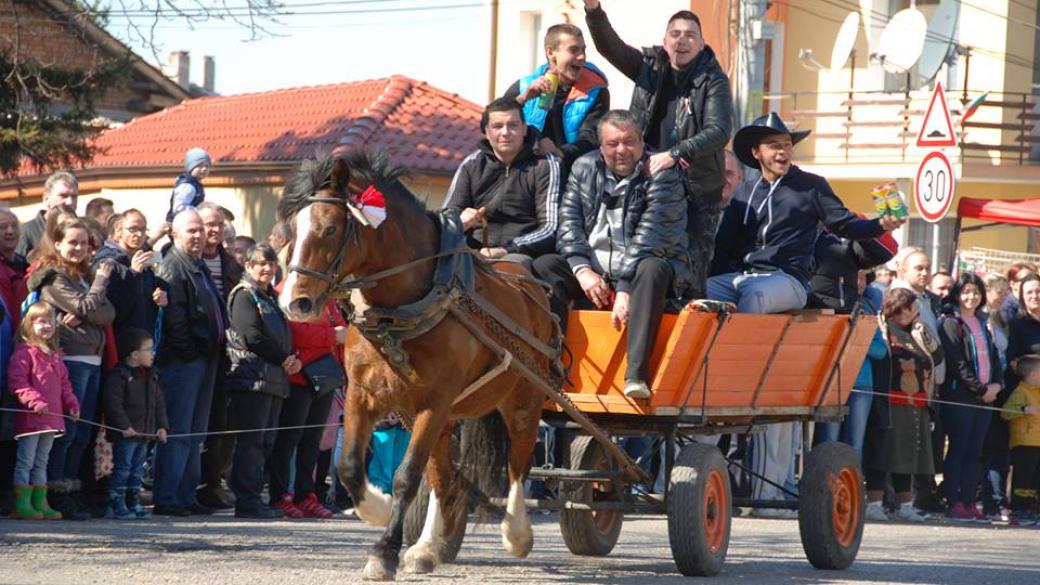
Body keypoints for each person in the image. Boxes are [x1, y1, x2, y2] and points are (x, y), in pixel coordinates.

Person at [531, 110, 688, 399]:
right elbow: (568, 224)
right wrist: (582, 270)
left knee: (653, 267)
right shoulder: (582, 167)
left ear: (642, 143)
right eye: (612, 144)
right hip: (595, 270)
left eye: (629, 142)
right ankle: (552, 365)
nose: (621, 151)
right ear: (600, 148)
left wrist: (625, 288)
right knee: (545, 266)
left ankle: (636, 375)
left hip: (642, 270)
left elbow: (652, 237)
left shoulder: (662, 173)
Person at [584, 1, 732, 299]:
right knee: (643, 257)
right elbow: (610, 48)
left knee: (689, 270)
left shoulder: (713, 79)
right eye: (675, 33)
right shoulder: (648, 66)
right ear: (665, 43)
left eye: (690, 34)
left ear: (702, 44)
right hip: (647, 182)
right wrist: (593, 10)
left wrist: (675, 154)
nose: (682, 40)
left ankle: (690, 334)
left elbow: (719, 131)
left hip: (697, 190)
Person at [26, 218, 115, 520]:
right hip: (72, 360)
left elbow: (106, 312)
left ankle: (72, 489)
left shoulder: (83, 277)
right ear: (59, 244)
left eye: (84, 243)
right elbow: (92, 308)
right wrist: (99, 286)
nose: (78, 248)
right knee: (68, 431)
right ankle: (56, 491)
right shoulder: (54, 278)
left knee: (82, 434)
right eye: (72, 242)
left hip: (93, 359)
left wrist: (88, 306)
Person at [152, 210, 227, 517]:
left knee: (195, 433)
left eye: (199, 230)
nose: (197, 236)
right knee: (179, 432)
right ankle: (168, 497)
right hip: (184, 363)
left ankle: (186, 495)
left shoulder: (198, 265)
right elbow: (175, 320)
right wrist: (191, 353)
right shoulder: (173, 267)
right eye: (191, 231)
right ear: (175, 234)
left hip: (205, 360)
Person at [225, 243, 299, 519]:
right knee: (251, 442)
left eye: (270, 264)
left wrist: (290, 358)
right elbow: (251, 336)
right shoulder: (245, 296)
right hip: (251, 379)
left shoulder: (268, 298)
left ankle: (255, 495)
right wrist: (284, 359)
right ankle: (246, 500)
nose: (267, 269)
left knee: (266, 441)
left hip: (273, 379)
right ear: (248, 266)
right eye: (260, 264)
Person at [442, 97, 561, 268]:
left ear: (524, 129)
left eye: (513, 125)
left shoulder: (545, 164)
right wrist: (460, 222)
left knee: (507, 270)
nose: (505, 132)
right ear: (487, 131)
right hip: (471, 252)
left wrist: (506, 250)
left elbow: (551, 227)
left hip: (521, 256)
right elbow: (446, 218)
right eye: (498, 126)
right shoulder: (471, 164)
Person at [864, 287, 945, 522]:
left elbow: (937, 358)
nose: (913, 310)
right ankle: (875, 503)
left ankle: (905, 505)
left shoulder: (918, 331)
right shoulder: (883, 328)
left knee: (908, 454)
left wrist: (925, 335)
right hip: (888, 401)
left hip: (916, 402)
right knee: (882, 452)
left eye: (913, 306)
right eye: (910, 306)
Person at [269, 282, 346, 519]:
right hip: (298, 376)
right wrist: (331, 336)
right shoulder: (287, 291)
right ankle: (281, 495)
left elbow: (342, 326)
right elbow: (293, 331)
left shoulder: (326, 294)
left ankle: (306, 494)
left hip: (324, 377)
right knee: (289, 439)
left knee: (312, 441)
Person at [937, 273, 1002, 522]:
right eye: (965, 292)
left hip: (986, 397)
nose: (971, 297)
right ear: (957, 294)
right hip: (961, 396)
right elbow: (957, 363)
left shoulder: (983, 321)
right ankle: (954, 501)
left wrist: (996, 385)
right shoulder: (950, 323)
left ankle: (969, 501)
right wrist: (980, 389)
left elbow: (995, 357)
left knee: (975, 451)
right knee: (959, 449)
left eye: (975, 292)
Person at [7, 302, 79, 520]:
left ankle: (40, 502)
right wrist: (35, 402)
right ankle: (21, 503)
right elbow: (17, 383)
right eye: (42, 321)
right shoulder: (24, 353)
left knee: (41, 462)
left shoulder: (55, 355)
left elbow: (65, 385)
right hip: (32, 420)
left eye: (51, 321)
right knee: (26, 461)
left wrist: (72, 404)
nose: (47, 326)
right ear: (30, 324)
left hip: (53, 419)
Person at [503, 23, 609, 168]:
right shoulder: (525, 86)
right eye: (573, 50)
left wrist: (558, 152)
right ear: (550, 53)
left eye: (583, 50)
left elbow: (591, 139)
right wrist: (522, 99)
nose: (582, 57)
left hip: (573, 173)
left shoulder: (596, 90)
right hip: (527, 171)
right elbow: (493, 122)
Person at [194, 202, 243, 510]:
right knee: (195, 422)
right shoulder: (186, 261)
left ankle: (213, 481)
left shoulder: (231, 264)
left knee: (225, 423)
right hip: (195, 352)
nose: (213, 230)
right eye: (208, 224)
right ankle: (192, 483)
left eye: (218, 225)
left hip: (226, 354)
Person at [101, 328, 169, 520]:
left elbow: (159, 403)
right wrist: (124, 426)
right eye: (149, 349)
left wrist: (162, 426)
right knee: (123, 468)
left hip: (145, 433)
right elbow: (113, 404)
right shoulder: (119, 376)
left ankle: (133, 501)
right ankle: (116, 503)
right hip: (128, 434)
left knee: (137, 469)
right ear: (135, 354)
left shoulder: (152, 376)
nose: (153, 353)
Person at [92, 209, 167, 356]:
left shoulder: (141, 261)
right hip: (120, 344)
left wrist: (159, 301)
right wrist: (133, 274)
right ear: (118, 231)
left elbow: (145, 303)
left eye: (143, 229)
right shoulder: (108, 261)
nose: (139, 235)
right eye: (133, 229)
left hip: (144, 342)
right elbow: (113, 305)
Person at [1001, 355, 1040, 526]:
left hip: (1038, 440)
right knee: (1023, 476)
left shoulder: (1037, 391)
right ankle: (1018, 507)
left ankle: (1031, 506)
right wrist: (1024, 409)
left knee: (1034, 477)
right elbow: (1005, 412)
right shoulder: (1020, 391)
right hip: (1024, 442)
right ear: (1032, 375)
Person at [17, 171, 79, 258]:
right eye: (63, 196)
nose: (70, 202)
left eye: (74, 196)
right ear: (46, 199)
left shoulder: (81, 229)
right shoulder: (26, 232)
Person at [167, 147, 212, 222]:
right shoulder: (188, 186)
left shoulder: (196, 184)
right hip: (182, 222)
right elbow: (179, 208)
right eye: (200, 166)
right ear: (191, 167)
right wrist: (200, 211)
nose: (204, 169)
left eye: (207, 166)